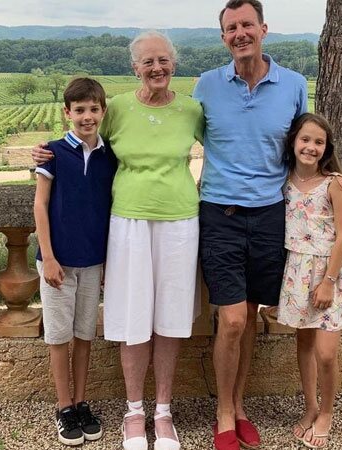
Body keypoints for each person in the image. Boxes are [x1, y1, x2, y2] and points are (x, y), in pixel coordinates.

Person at [33, 31, 204, 450]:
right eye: (148, 61)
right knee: (132, 317)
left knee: (170, 317)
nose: (157, 68)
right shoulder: (119, 109)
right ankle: (133, 411)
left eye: (163, 60)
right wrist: (42, 154)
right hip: (127, 223)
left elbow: (228, 150)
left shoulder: (193, 110)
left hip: (180, 220)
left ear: (174, 64)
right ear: (135, 68)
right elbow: (82, 141)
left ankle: (162, 412)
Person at [192, 1, 308, 449]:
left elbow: (303, 145)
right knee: (233, 319)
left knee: (255, 314)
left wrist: (331, 183)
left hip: (271, 216)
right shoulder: (206, 86)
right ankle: (223, 412)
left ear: (263, 29)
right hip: (219, 213)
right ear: (223, 37)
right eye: (230, 28)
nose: (239, 33)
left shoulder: (294, 85)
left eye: (246, 25)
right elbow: (171, 132)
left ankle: (240, 405)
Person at [33, 77, 115, 447]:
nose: (87, 116)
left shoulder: (109, 156)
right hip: (59, 263)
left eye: (93, 109)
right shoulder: (52, 152)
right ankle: (63, 406)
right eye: (79, 110)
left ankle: (82, 401)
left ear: (102, 111)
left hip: (92, 261)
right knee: (59, 336)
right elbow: (40, 205)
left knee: (84, 334)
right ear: (67, 112)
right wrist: (48, 257)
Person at [277, 113, 342, 449]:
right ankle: (310, 407)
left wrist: (328, 281)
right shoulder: (285, 181)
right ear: (294, 141)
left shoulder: (334, 183)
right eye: (305, 140)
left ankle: (326, 413)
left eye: (318, 142)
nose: (311, 147)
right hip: (297, 272)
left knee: (326, 353)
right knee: (304, 345)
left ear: (326, 148)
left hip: (329, 274)